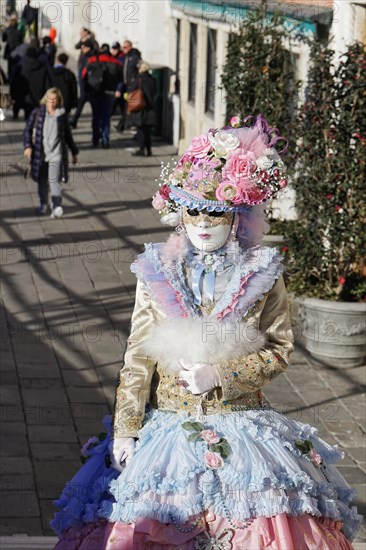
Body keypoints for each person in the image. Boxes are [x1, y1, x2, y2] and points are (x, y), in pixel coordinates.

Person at [50, 115, 361, 548]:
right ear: (178, 212)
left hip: (242, 427)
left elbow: (279, 349)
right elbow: (137, 356)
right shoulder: (158, 272)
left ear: (237, 216)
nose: (202, 222)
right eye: (192, 209)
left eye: (214, 211)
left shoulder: (263, 273)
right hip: (167, 432)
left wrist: (222, 376)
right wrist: (125, 427)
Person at [23, 87, 79, 218]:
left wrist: (74, 152)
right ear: (45, 99)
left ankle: (56, 205)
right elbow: (27, 131)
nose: (52, 102)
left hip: (56, 154)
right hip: (40, 154)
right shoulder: (37, 113)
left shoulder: (62, 115)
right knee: (42, 182)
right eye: (49, 99)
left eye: (55, 100)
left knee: (54, 180)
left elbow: (68, 136)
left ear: (59, 101)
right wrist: (28, 146)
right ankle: (44, 203)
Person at [82, 41, 123, 148]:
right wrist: (118, 89)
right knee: (106, 117)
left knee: (96, 116)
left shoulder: (92, 60)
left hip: (94, 92)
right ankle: (105, 140)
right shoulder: (116, 62)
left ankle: (95, 139)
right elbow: (121, 79)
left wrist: (86, 90)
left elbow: (83, 75)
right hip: (109, 92)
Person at [71, 30, 98, 129]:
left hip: (88, 84)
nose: (82, 48)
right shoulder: (85, 55)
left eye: (84, 46)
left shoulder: (90, 57)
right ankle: (74, 120)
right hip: (84, 83)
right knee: (83, 101)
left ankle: (75, 120)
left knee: (87, 102)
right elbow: (77, 46)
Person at [129, 61, 156, 157]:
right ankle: (149, 150)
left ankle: (141, 149)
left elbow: (132, 90)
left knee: (140, 130)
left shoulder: (139, 79)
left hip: (140, 107)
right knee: (147, 131)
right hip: (150, 107)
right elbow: (154, 92)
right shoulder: (152, 79)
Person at [21, 44, 53, 119]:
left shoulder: (22, 68)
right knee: (38, 119)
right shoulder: (43, 68)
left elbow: (17, 83)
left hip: (27, 98)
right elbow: (48, 85)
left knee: (28, 118)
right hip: (40, 98)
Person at [2, 13, 23, 79]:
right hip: (17, 51)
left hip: (9, 50)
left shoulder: (7, 30)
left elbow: (3, 39)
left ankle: (10, 77)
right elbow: (21, 41)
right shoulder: (18, 32)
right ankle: (15, 77)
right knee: (16, 64)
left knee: (10, 64)